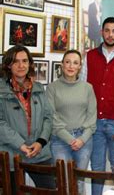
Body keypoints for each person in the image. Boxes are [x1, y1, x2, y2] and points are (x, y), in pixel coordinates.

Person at [82, 17, 114, 195]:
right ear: (101, 32)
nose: (110, 35)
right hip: (94, 123)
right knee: (96, 167)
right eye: (107, 30)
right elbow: (83, 90)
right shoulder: (89, 56)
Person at [0, 45, 55, 193]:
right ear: (8, 65)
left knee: (51, 190)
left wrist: (40, 142)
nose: (21, 65)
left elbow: (48, 118)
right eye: (16, 61)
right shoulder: (1, 89)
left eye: (24, 61)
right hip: (12, 153)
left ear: (30, 64)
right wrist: (21, 144)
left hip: (39, 152)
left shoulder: (38, 88)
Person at [47, 50, 97, 194]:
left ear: (80, 67)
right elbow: (52, 117)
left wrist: (81, 139)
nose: (71, 66)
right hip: (60, 140)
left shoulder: (88, 88)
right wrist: (70, 139)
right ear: (62, 65)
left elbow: (91, 117)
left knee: (79, 182)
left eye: (75, 63)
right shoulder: (52, 88)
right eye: (67, 62)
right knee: (64, 182)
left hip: (84, 140)